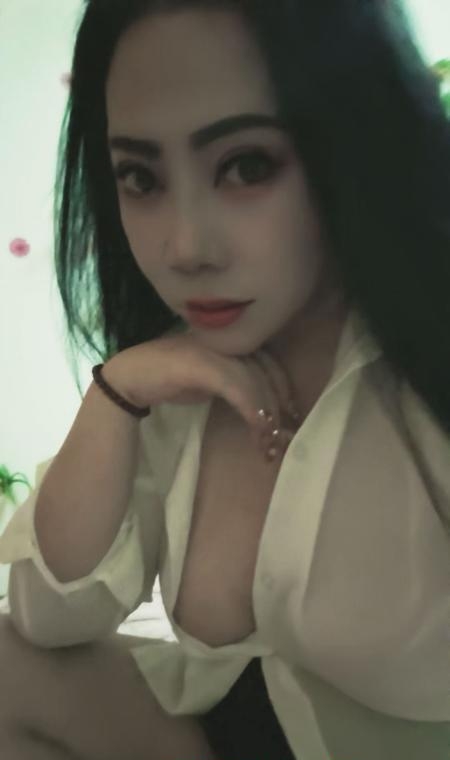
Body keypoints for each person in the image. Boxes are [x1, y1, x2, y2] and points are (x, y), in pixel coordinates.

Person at [0, 1, 449, 758]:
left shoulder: (424, 372)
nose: (186, 247)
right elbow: (47, 619)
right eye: (140, 177)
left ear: (352, 142)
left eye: (247, 166)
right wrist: (117, 393)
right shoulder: (181, 388)